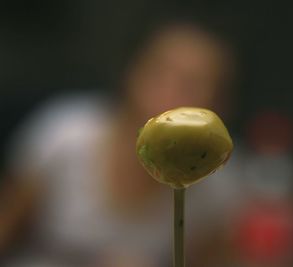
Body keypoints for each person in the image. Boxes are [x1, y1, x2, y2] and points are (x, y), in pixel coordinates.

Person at [0, 16, 242, 267]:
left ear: (220, 102)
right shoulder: (63, 136)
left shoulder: (217, 185)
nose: (171, 89)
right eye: (161, 71)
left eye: (192, 83)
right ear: (132, 74)